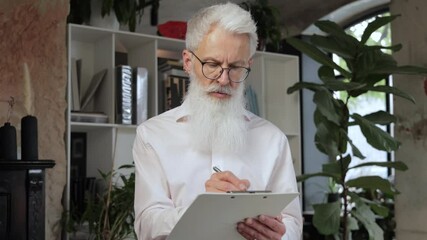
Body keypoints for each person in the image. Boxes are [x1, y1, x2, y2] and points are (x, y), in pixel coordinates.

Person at [133, 2, 302, 240]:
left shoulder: (273, 139)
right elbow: (146, 225)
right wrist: (203, 209)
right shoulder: (152, 135)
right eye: (212, 64)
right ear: (188, 61)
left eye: (235, 67)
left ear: (249, 65)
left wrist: (279, 235)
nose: (223, 79)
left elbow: (293, 224)